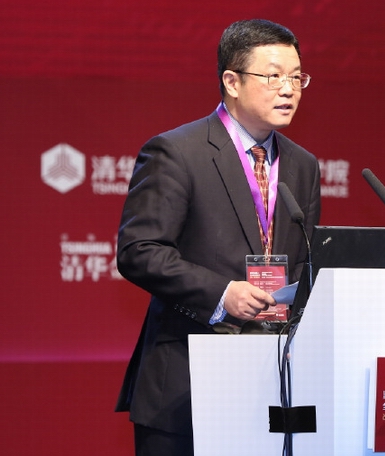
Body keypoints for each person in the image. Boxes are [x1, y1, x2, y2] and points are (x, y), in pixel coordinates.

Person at [114, 19, 321, 456]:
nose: (288, 90)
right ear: (232, 81)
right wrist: (222, 293)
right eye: (273, 76)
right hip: (186, 382)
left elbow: (304, 259)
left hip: (272, 381)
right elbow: (139, 251)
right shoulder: (177, 151)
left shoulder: (302, 165)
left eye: (296, 77)